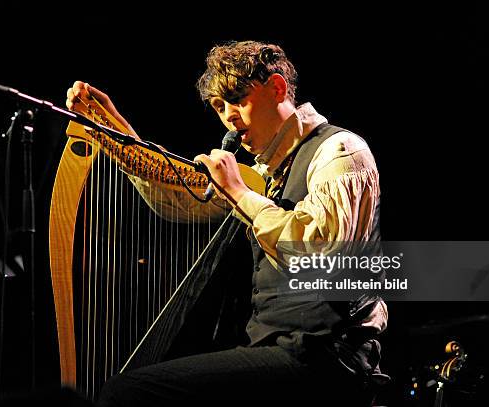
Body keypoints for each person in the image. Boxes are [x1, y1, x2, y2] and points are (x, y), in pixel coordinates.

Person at [66, 40, 388, 406]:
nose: (228, 116)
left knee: (125, 394)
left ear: (277, 88)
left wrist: (238, 192)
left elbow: (327, 260)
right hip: (280, 351)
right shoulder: (262, 175)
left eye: (238, 99)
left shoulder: (340, 151)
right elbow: (179, 203)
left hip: (329, 357)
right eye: (219, 107)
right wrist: (114, 133)